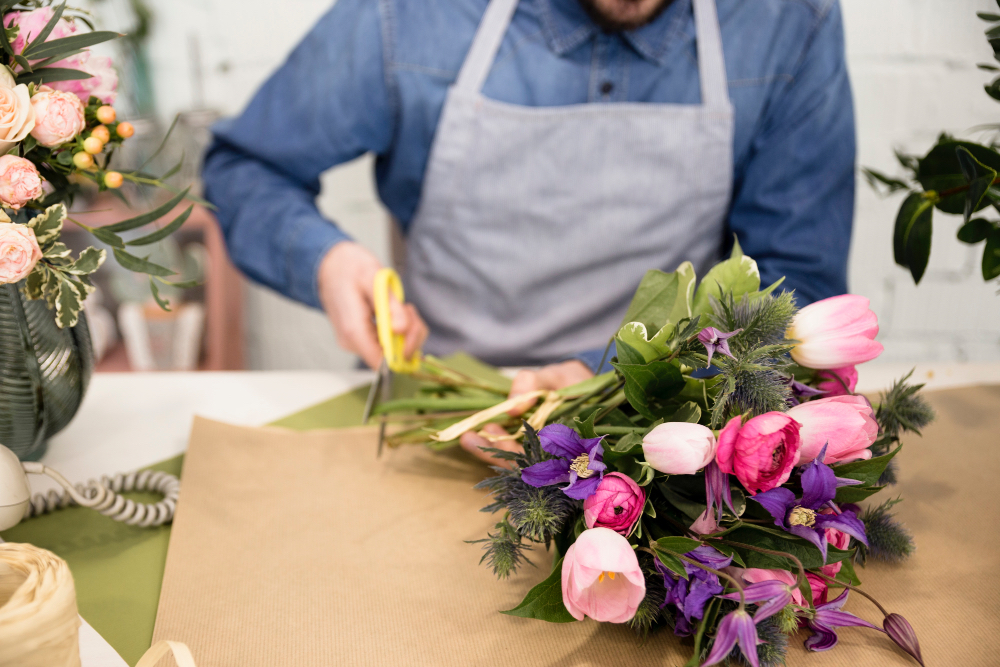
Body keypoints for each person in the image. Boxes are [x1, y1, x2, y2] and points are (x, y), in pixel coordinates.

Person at [203, 0, 855, 460]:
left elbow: (794, 291)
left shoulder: (790, 22)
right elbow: (245, 169)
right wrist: (324, 260)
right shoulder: (406, 17)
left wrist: (612, 388)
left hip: (661, 435)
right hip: (435, 415)